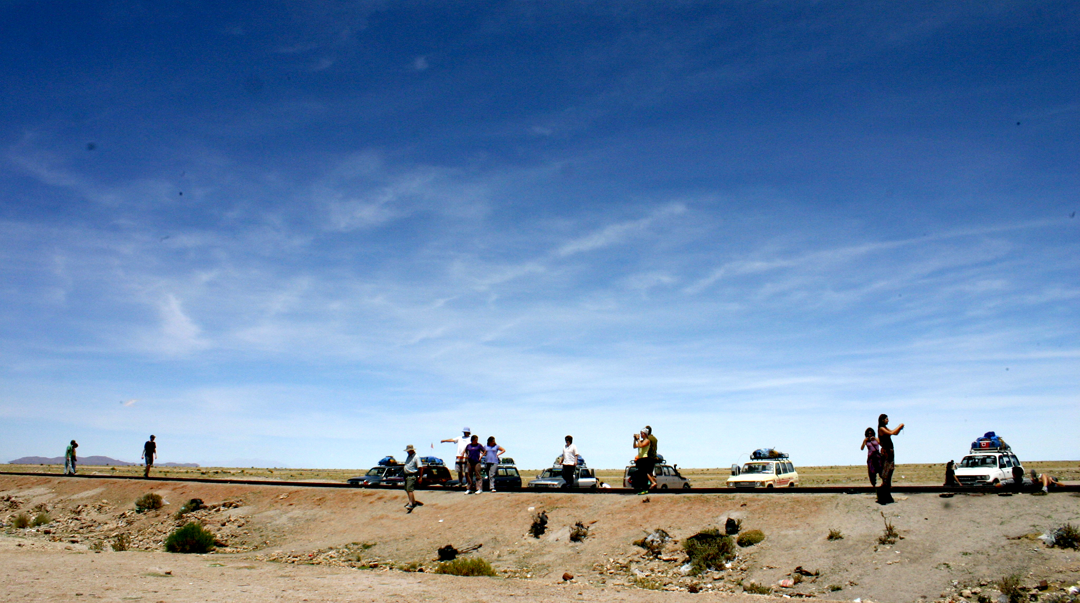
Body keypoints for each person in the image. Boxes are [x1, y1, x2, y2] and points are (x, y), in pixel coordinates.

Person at [877, 414, 904, 504]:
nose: (888, 421)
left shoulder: (885, 428)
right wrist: (899, 426)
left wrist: (899, 429)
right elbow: (892, 433)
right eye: (886, 419)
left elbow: (894, 433)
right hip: (887, 452)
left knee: (890, 470)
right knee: (887, 471)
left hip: (889, 451)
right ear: (883, 420)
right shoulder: (881, 429)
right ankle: (882, 494)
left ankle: (886, 494)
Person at [632, 428, 657, 494]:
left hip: (644, 458)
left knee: (644, 474)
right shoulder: (641, 441)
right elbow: (635, 446)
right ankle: (644, 487)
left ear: (645, 434)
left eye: (642, 433)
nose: (641, 435)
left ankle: (646, 488)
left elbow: (641, 445)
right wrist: (635, 440)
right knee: (641, 474)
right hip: (640, 459)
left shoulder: (647, 441)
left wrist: (638, 439)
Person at [402, 444, 424, 513]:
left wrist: (420, 477)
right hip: (406, 475)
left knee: (409, 489)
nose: (408, 452)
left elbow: (420, 467)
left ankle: (411, 504)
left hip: (412, 475)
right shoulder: (409, 456)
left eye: (409, 451)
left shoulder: (416, 457)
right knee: (407, 489)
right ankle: (413, 501)